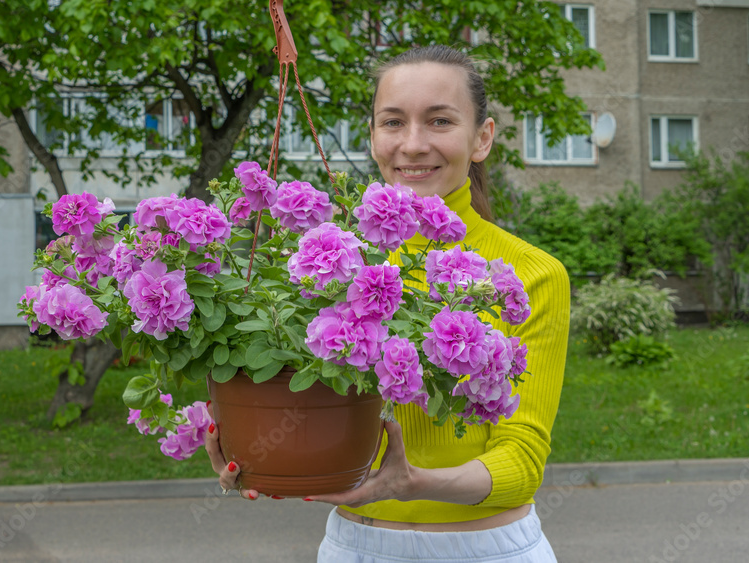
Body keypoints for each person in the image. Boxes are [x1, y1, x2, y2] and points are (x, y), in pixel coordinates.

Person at [205, 44, 569, 562]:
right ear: (373, 135)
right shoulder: (328, 262)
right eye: (393, 122)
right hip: (354, 546)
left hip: (486, 551)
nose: (413, 144)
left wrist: (411, 482)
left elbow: (522, 462)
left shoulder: (531, 274)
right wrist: (254, 448)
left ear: (482, 138)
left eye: (440, 121)